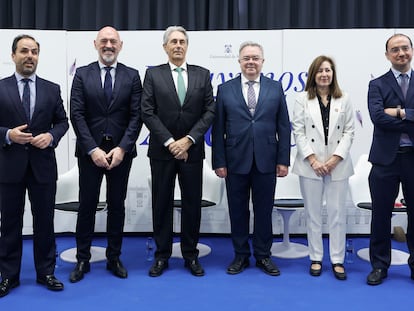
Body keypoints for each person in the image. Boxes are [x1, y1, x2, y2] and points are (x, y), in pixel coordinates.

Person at [69, 26, 142, 282]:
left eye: (113, 41)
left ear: (120, 45)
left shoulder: (132, 76)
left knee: (116, 206)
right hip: (90, 153)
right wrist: (92, 149)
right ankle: (82, 260)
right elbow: (76, 114)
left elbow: (136, 115)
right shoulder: (81, 74)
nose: (108, 45)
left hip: (121, 154)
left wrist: (123, 148)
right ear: (95, 44)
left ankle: (114, 258)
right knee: (87, 206)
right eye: (104, 41)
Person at [141, 25, 215, 277]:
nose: (178, 45)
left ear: (187, 46)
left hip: (192, 152)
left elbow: (209, 111)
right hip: (163, 152)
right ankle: (161, 256)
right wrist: (171, 142)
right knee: (161, 204)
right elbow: (147, 111)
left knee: (191, 205)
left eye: (182, 41)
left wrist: (189, 140)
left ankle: (190, 255)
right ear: (165, 47)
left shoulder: (202, 75)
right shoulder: (153, 75)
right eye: (173, 41)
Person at [212, 41, 290, 276]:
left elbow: (284, 126)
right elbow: (217, 130)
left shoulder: (275, 88)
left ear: (262, 62)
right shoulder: (225, 89)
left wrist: (283, 160)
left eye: (255, 58)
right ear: (239, 62)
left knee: (264, 210)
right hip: (235, 161)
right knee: (237, 210)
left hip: (267, 160)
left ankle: (264, 256)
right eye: (246, 58)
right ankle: (241, 255)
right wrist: (219, 161)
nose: (251, 62)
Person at [0, 34, 69, 297]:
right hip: (9, 167)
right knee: (9, 223)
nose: (30, 56)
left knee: (45, 223)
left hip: (42, 168)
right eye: (24, 51)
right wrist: (8, 134)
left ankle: (46, 272)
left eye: (35, 52)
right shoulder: (1, 87)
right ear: (13, 55)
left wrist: (51, 136)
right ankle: (8, 276)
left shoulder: (52, 89)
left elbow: (63, 122)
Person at [291, 55, 354, 281]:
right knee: (313, 214)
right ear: (313, 74)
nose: (324, 74)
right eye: (320, 71)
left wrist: (336, 158)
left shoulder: (344, 98)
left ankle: (337, 260)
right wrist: (314, 160)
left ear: (333, 74)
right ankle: (316, 257)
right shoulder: (301, 99)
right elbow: (297, 131)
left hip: (338, 164)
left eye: (328, 70)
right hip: (311, 165)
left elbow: (349, 132)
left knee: (338, 214)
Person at [366, 33, 414, 285]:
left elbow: (388, 117)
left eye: (404, 48)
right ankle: (379, 266)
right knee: (381, 215)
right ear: (387, 55)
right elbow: (377, 118)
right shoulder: (377, 84)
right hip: (385, 160)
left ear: (412, 50)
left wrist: (399, 112)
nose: (400, 53)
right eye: (394, 50)